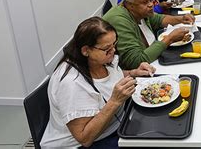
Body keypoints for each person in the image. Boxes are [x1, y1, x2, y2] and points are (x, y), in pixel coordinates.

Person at [40, 17, 154, 148]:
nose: (113, 51)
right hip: (87, 143)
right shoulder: (71, 85)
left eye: (114, 44)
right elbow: (84, 138)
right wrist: (114, 101)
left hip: (115, 126)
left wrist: (133, 72)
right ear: (86, 50)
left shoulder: (102, 59)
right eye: (107, 48)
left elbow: (111, 78)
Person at [103, 0, 195, 69]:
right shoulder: (119, 20)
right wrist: (169, 39)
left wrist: (181, 19)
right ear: (130, 5)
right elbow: (136, 61)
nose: (151, 4)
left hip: (155, 59)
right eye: (145, 2)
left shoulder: (136, 9)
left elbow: (158, 19)